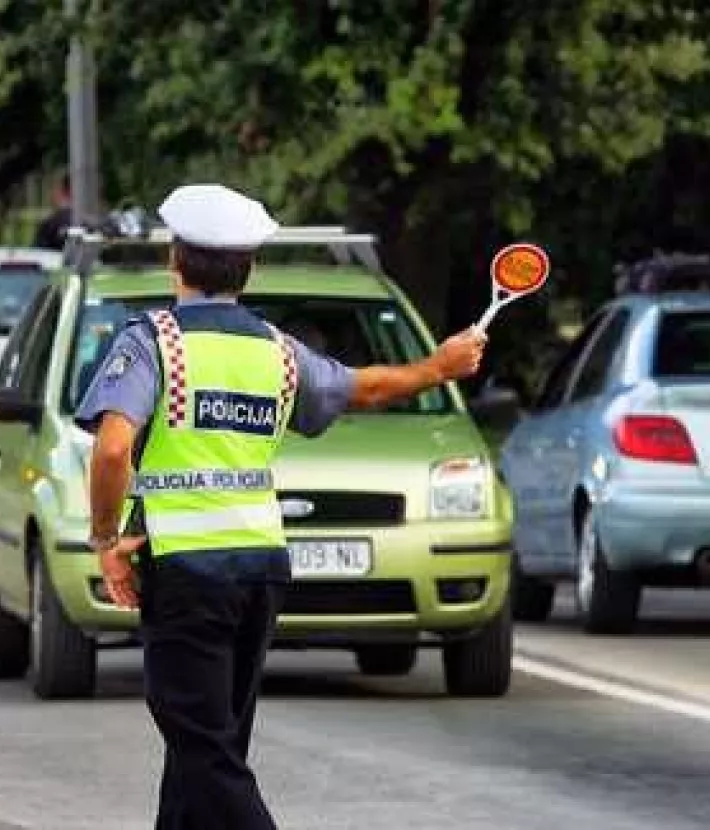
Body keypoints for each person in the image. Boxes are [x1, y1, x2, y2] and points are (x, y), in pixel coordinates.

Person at [75, 183, 487, 830]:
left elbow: (111, 450)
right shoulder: (275, 349)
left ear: (175, 261)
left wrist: (104, 539)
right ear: (249, 268)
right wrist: (434, 368)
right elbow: (360, 388)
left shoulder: (152, 342)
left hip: (189, 571)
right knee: (212, 742)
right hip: (261, 568)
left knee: (203, 747)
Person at [32, 172, 73, 251]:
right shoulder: (98, 221)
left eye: (54, 188)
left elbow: (37, 254)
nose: (52, 193)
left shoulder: (52, 223)